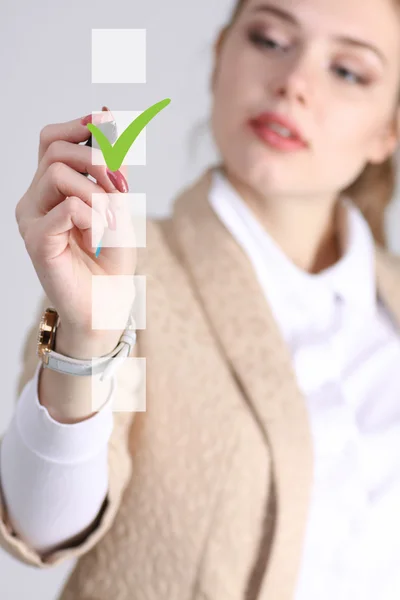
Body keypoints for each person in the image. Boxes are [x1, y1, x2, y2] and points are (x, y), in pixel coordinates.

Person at [1, 0, 400, 598]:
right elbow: (42, 526)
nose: (293, 83)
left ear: (388, 131)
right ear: (220, 58)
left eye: (347, 71)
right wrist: (87, 334)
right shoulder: (129, 273)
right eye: (269, 38)